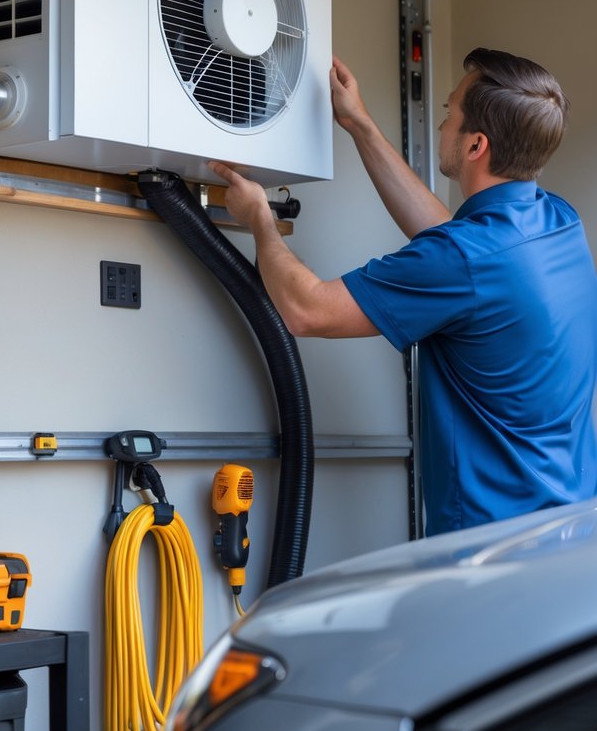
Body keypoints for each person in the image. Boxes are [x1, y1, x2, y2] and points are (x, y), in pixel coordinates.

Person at [210, 48, 597, 536]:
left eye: (448, 113)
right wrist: (359, 124)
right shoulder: (558, 222)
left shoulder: (466, 258)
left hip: (491, 551)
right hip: (573, 532)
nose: (441, 126)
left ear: (476, 145)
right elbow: (455, 248)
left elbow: (306, 311)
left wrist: (260, 219)